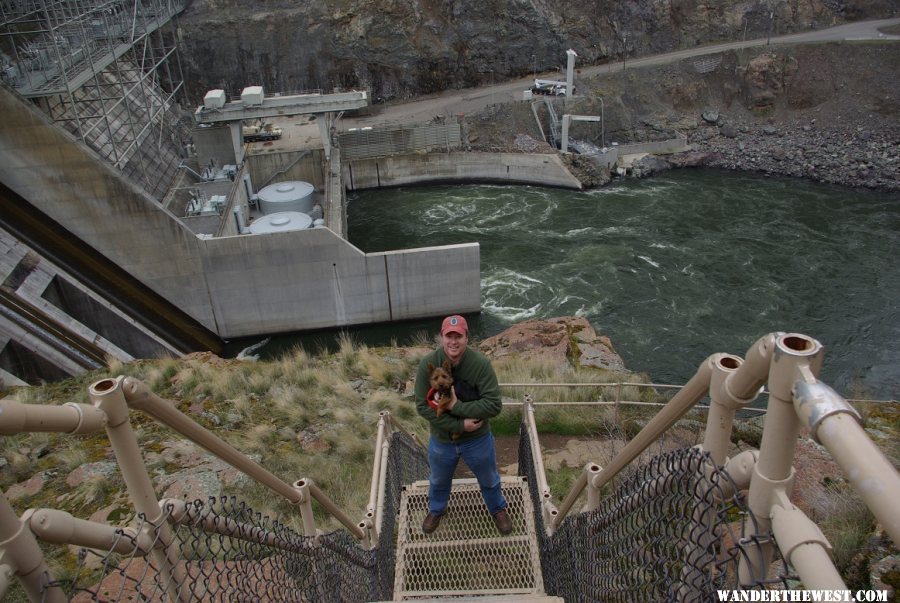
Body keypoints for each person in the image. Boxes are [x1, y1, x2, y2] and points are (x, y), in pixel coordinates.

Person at [414, 314, 512, 535]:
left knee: (488, 477)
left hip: (477, 438)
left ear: (467, 337)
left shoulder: (480, 365)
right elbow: (422, 406)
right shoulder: (426, 366)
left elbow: (494, 405)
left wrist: (456, 407)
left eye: (458, 336)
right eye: (449, 336)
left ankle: (497, 508)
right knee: (438, 479)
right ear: (442, 338)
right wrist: (459, 425)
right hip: (442, 440)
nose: (453, 341)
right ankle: (437, 509)